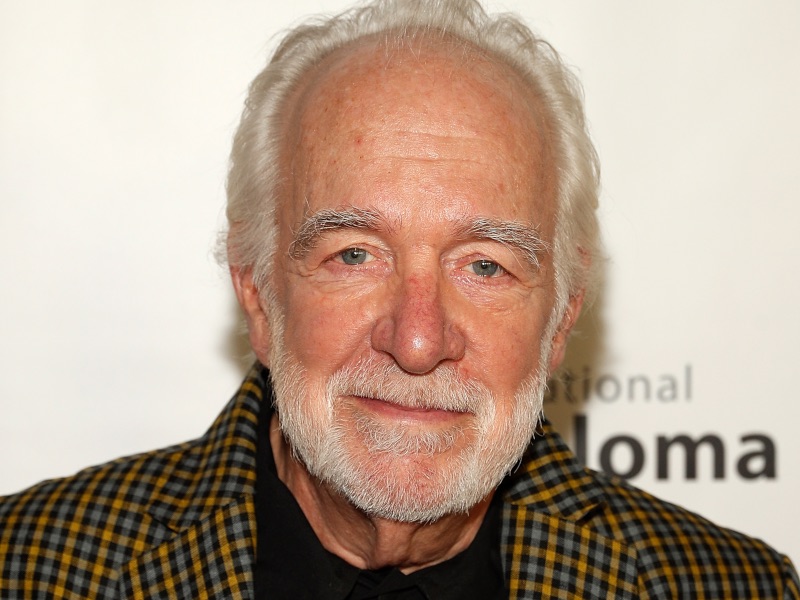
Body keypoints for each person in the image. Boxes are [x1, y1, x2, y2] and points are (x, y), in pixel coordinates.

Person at [1, 0, 797, 598]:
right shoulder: (27, 568)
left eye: (485, 266)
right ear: (258, 295)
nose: (418, 342)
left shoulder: (729, 586)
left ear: (561, 318)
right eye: (354, 254)